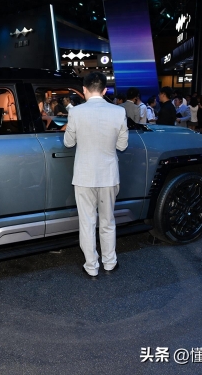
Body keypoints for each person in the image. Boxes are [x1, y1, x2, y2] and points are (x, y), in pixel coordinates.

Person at [63, 72, 128, 278]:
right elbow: (122, 145)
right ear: (105, 90)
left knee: (87, 223)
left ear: (84, 90)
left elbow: (68, 143)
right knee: (108, 221)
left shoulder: (76, 112)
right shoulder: (119, 111)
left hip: (84, 176)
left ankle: (91, 265)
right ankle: (110, 262)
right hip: (109, 175)